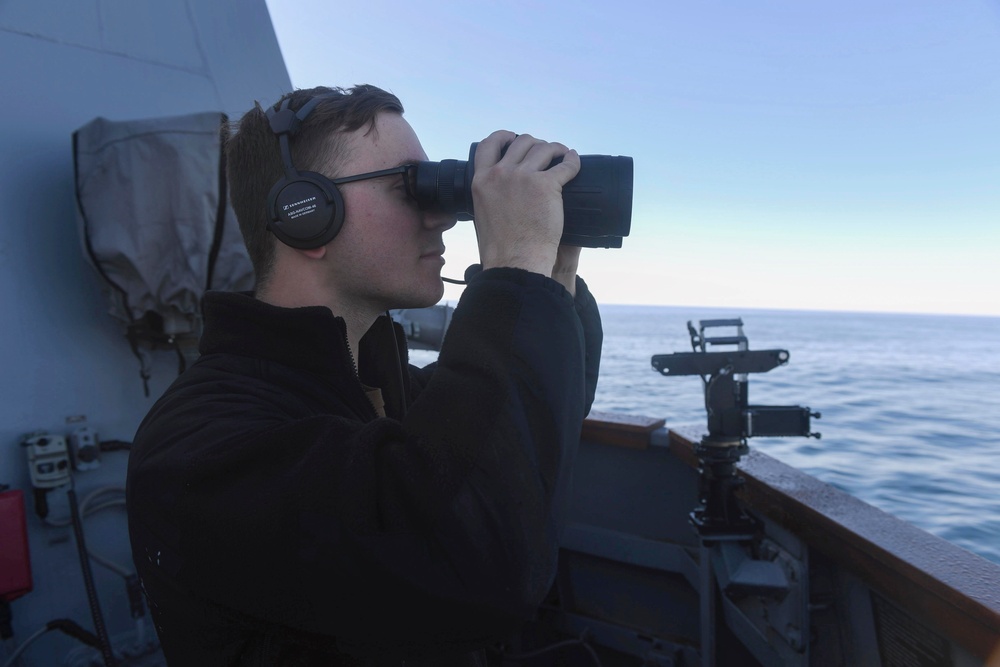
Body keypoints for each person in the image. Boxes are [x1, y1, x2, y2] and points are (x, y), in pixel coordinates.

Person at [126, 84, 603, 666]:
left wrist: (552, 269)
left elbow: (530, 430)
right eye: (410, 186)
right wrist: (513, 273)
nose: (442, 217)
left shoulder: (383, 387)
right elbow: (475, 565)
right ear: (305, 214)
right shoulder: (202, 446)